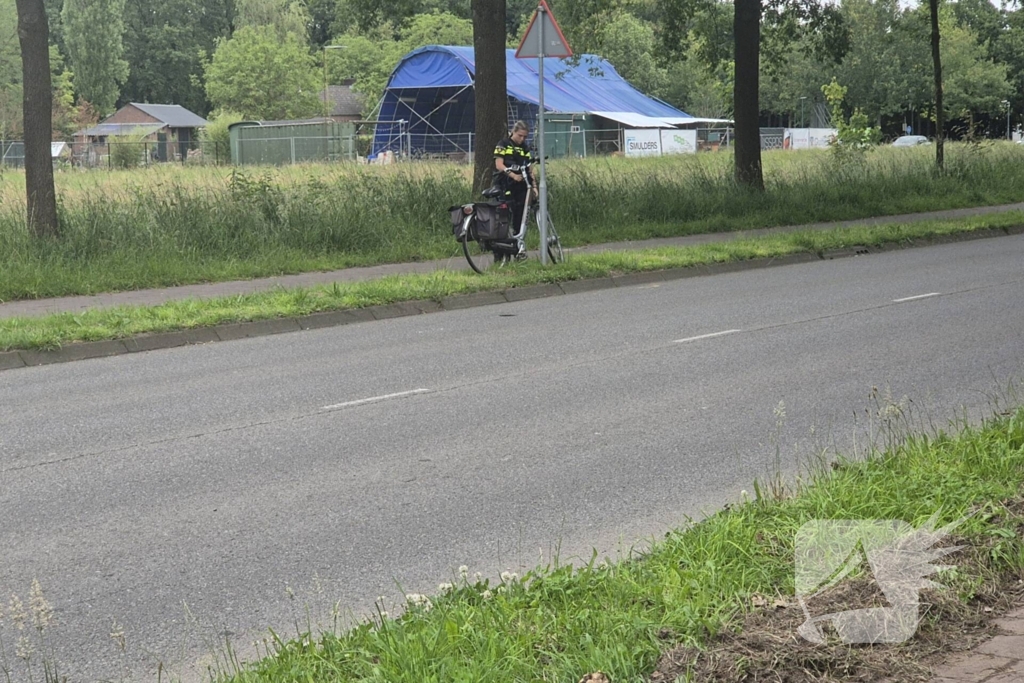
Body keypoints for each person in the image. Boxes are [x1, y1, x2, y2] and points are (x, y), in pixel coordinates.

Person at [493, 121, 535, 260]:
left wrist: (534, 186)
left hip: (521, 186)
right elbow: (499, 164)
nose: (522, 139)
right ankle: (499, 255)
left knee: (520, 218)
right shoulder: (503, 144)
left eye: (525, 136)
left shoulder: (525, 148)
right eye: (520, 135)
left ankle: (518, 250)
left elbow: (530, 169)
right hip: (505, 184)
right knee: (503, 219)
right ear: (513, 132)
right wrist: (512, 175)